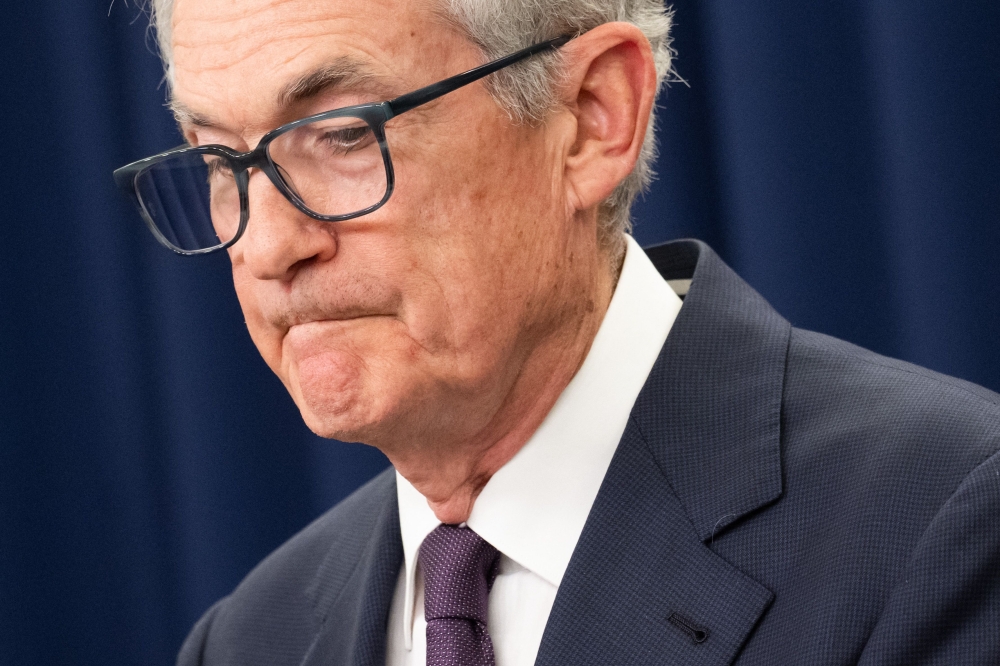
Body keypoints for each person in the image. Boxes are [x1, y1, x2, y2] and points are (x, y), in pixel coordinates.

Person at [113, 0, 1000, 663]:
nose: (268, 245)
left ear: (589, 118)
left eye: (343, 135)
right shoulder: (245, 642)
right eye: (220, 160)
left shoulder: (939, 526)